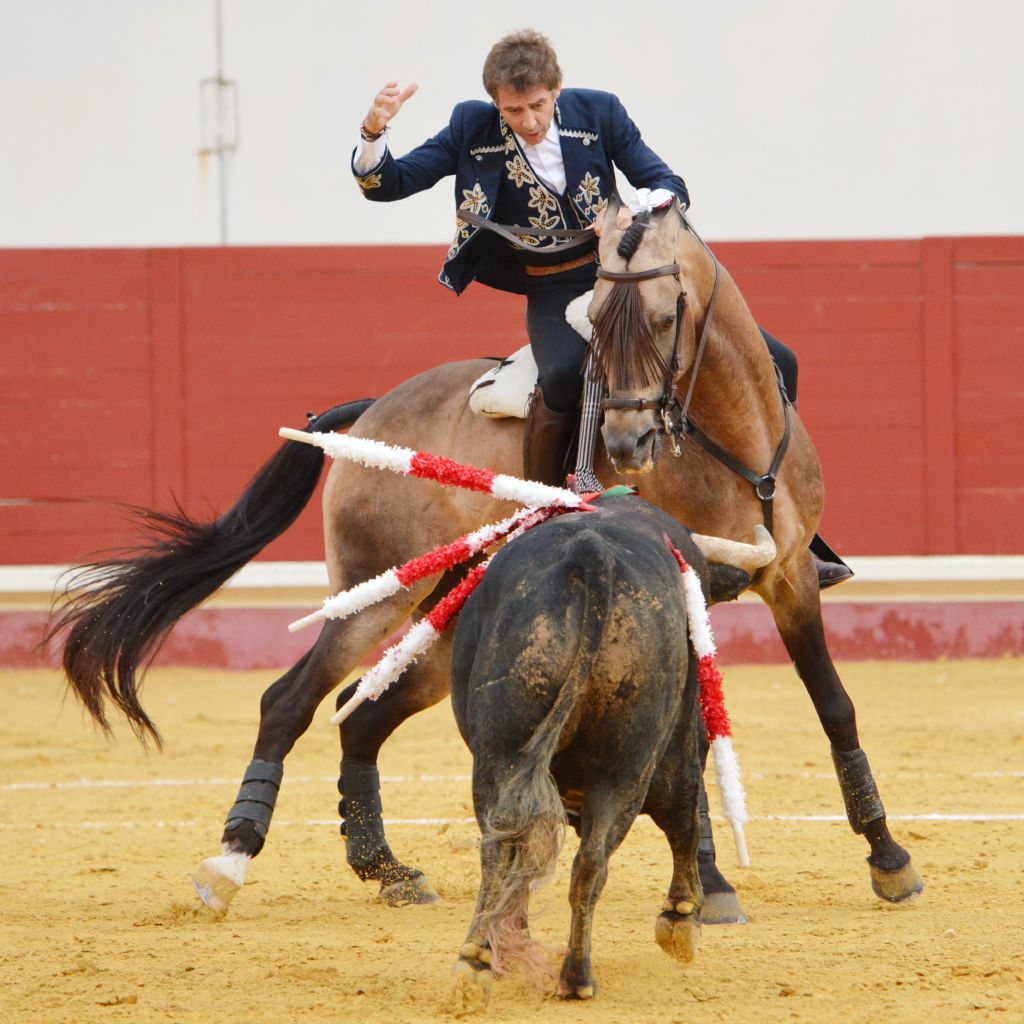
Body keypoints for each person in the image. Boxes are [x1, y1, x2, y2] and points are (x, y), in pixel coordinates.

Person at [352, 30, 850, 588]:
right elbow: (386, 184)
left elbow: (666, 184)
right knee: (564, 375)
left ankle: (790, 516)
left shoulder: (598, 112)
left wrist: (625, 212)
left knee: (777, 358)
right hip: (550, 284)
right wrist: (375, 130)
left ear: (556, 91)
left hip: (620, 276)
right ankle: (546, 513)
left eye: (538, 105)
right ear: (496, 103)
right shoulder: (471, 128)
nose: (530, 120)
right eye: (514, 110)